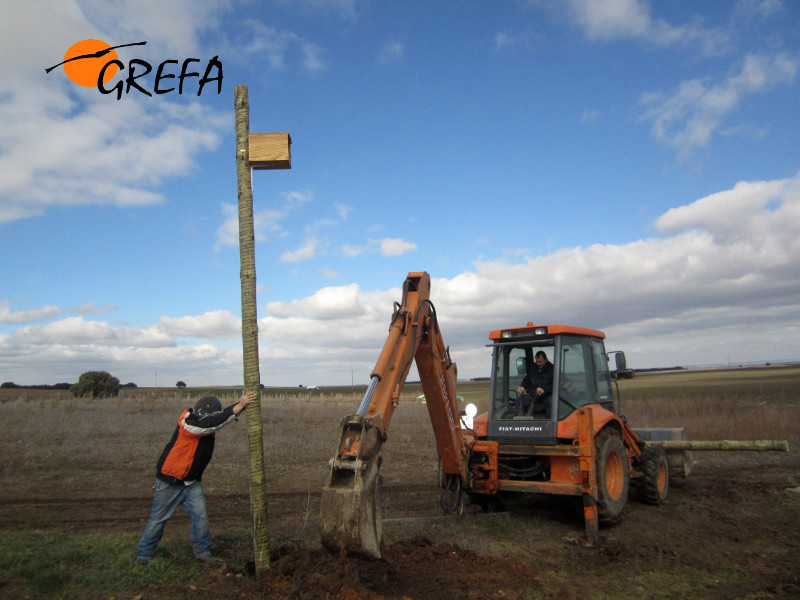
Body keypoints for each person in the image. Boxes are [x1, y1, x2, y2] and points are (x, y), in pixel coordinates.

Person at [136, 391, 256, 565]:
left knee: (200, 518)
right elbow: (215, 422)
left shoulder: (201, 420)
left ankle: (203, 553)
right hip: (170, 480)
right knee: (158, 519)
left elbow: (219, 417)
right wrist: (240, 405)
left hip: (191, 482)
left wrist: (241, 404)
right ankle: (144, 556)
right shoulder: (190, 425)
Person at [516, 351, 554, 417]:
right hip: (533, 395)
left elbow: (555, 386)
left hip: (547, 396)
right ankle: (519, 421)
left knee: (552, 402)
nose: (538, 363)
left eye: (540, 361)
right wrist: (522, 386)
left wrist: (544, 390)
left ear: (546, 360)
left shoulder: (553, 369)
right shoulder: (532, 368)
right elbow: (527, 379)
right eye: (537, 361)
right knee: (520, 400)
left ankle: (549, 422)